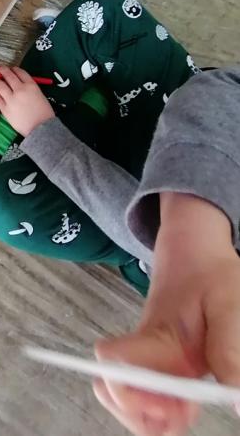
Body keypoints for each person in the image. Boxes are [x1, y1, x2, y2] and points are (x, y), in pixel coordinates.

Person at [0, 0, 203, 295]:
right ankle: (87, 85)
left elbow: (154, 234)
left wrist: (41, 131)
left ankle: (4, 147)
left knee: (10, 211)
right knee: (102, 13)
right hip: (180, 120)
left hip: (141, 227)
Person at [94, 67, 240, 435]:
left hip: (152, 244)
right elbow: (225, 93)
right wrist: (194, 240)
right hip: (195, 180)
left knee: (14, 210)